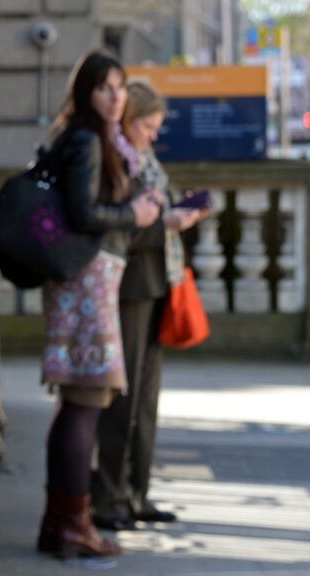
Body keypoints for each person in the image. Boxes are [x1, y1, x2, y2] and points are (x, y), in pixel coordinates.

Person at [34, 50, 161, 559]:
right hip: (87, 284)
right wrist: (134, 212)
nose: (116, 97)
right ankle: (72, 524)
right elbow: (84, 212)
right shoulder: (87, 140)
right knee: (85, 402)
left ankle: (62, 522)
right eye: (106, 87)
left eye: (121, 87)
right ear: (87, 91)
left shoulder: (89, 137)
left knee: (79, 405)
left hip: (88, 282)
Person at [90, 81, 206, 531]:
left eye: (157, 127)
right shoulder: (114, 161)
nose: (152, 135)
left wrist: (182, 214)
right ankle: (109, 499)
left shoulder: (145, 160)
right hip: (129, 287)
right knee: (123, 399)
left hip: (158, 283)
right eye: (146, 125)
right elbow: (116, 229)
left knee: (147, 400)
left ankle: (137, 494)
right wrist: (166, 224)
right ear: (125, 119)